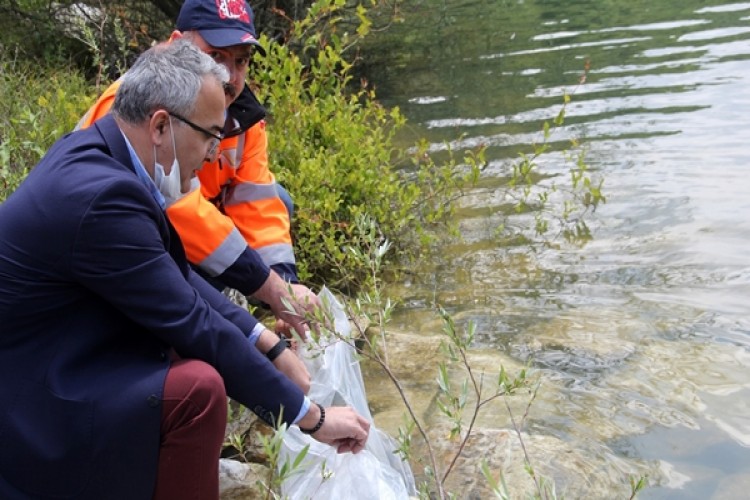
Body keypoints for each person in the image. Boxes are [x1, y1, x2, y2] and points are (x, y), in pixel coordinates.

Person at [0, 40, 369, 500]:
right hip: (32, 408)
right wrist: (310, 417)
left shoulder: (99, 154)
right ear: (160, 125)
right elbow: (191, 321)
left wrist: (266, 343)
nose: (215, 154)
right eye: (210, 135)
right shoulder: (103, 199)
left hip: (52, 353)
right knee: (199, 388)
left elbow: (174, 276)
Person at [78, 0, 318, 338]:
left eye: (241, 61)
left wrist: (286, 288)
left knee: (278, 197)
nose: (230, 78)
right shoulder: (133, 104)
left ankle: (222, 309)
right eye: (216, 56)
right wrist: (268, 287)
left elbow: (258, 202)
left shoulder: (244, 118)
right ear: (177, 44)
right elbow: (176, 210)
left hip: (183, 229)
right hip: (116, 246)